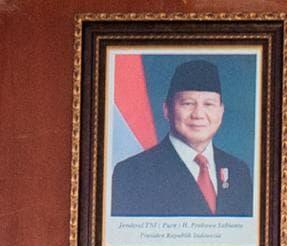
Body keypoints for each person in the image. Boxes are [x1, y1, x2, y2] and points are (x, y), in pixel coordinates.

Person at [110, 56, 257, 221]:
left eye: (209, 104)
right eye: (188, 103)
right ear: (167, 110)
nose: (198, 114)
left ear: (221, 111)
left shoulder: (238, 171)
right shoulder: (133, 173)